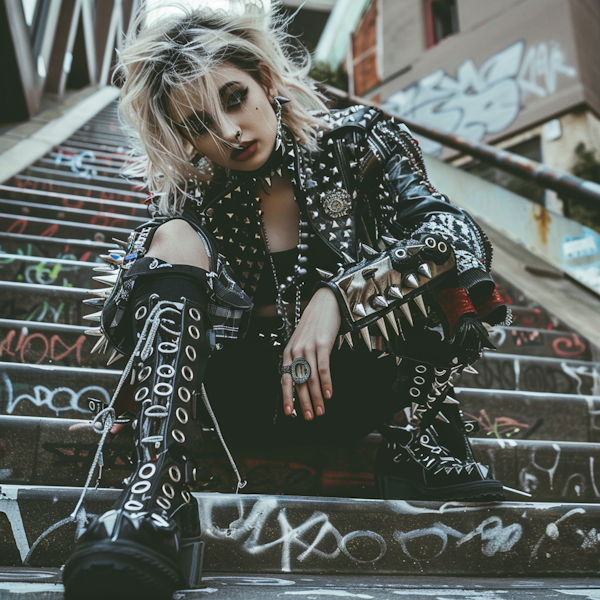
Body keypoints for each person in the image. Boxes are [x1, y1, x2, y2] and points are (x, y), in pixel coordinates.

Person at [62, 2, 510, 598]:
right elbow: (126, 329)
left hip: (358, 389)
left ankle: (417, 444)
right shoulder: (195, 194)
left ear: (266, 82)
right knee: (166, 238)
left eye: (232, 97)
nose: (226, 133)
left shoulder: (359, 143)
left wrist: (336, 297)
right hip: (235, 404)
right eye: (196, 126)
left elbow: (457, 236)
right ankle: (156, 490)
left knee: (440, 259)